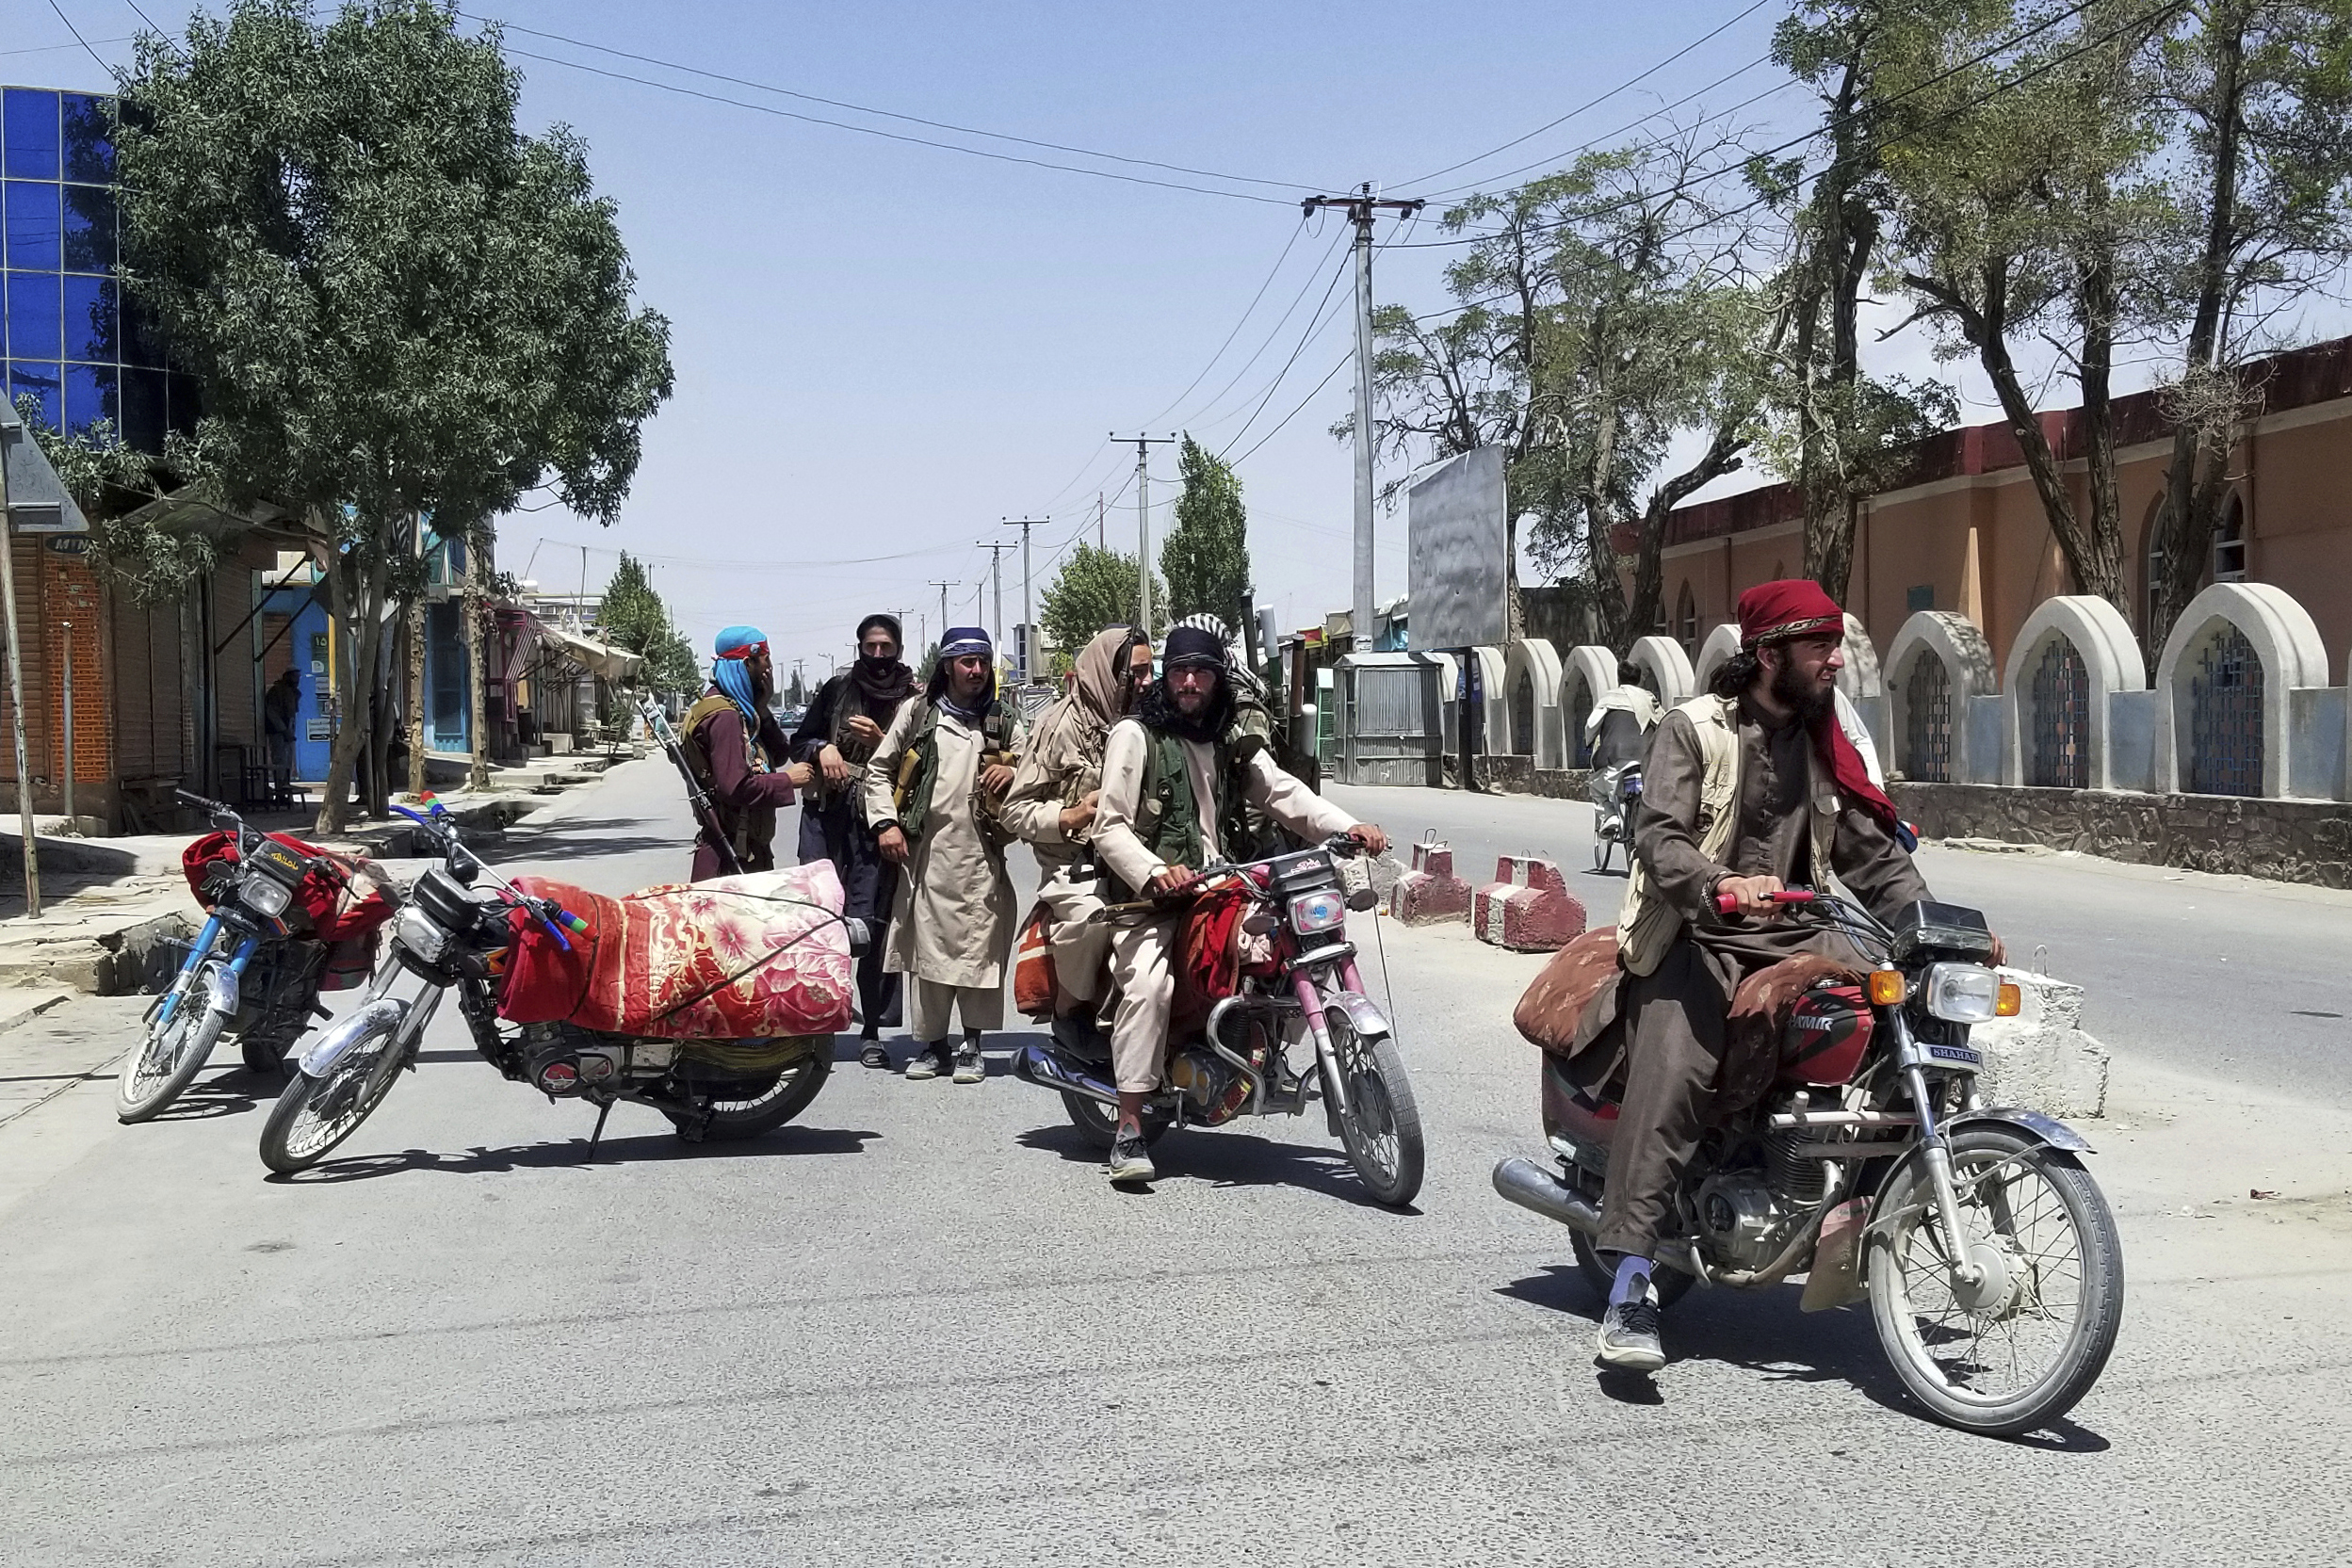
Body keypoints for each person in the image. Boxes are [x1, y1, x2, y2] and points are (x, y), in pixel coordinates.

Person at [1565, 580, 1999, 1373]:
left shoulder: (1823, 738)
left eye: (1835, 645)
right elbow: (1657, 837)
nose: (1835, 660)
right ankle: (1630, 1281)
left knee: (1902, 1016)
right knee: (1676, 1067)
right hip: (1698, 932)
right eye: (1818, 647)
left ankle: (1853, 1202)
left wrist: (1941, 934)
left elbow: (1873, 857)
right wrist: (1715, 882)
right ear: (1768, 655)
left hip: (1800, 928)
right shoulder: (1692, 729)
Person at [1090, 624, 1387, 1186]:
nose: (1190, 681)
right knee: (1150, 985)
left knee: (1286, 952)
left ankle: (1257, 1056)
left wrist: (1351, 826)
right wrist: (1155, 871)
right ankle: (1129, 1126)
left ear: (1217, 676)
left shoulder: (1228, 737)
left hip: (1224, 887)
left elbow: (1281, 792)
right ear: (1165, 676)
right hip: (1153, 900)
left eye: (1201, 671)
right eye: (1179, 670)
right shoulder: (1135, 735)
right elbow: (1110, 827)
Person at [863, 627, 1025, 1085]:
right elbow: (879, 771)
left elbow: (1038, 771)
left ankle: (973, 1045)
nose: (976, 671)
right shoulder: (918, 713)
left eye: (982, 662)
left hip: (982, 856)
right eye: (966, 662)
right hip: (925, 854)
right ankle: (934, 1047)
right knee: (928, 952)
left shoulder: (1004, 720)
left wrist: (1010, 770)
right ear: (948, 666)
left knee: (980, 947)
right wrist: (886, 824)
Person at [998, 625, 1153, 1020]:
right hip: (1074, 866)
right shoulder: (1060, 727)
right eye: (1136, 673)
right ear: (1109, 673)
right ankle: (1072, 1011)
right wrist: (1071, 815)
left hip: (1137, 856)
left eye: (1150, 670)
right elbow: (1014, 811)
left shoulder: (1148, 720)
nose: (1146, 681)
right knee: (1092, 919)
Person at [791, 614, 920, 1063]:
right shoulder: (836, 690)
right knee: (815, 915)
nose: (879, 656)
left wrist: (885, 740)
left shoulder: (915, 699)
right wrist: (821, 749)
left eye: (886, 647)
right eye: (871, 647)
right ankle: (809, 1021)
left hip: (878, 821)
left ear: (899, 649)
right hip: (827, 817)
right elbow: (800, 739)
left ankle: (873, 1030)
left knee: (873, 922)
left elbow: (927, 763)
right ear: (859, 648)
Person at [678, 626, 811, 881]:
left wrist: (762, 708)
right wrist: (788, 781)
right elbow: (734, 787)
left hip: (746, 853)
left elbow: (779, 755)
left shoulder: (738, 711)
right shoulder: (724, 716)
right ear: (747, 663)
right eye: (765, 660)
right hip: (730, 860)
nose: (769, 669)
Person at [1585, 660, 1661, 773]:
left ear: (1618, 679)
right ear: (1640, 679)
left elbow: (1591, 726)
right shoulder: (1649, 699)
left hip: (1613, 762)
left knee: (1598, 788)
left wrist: (1588, 742)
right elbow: (1663, 722)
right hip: (1646, 762)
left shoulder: (1608, 699)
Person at [263, 670, 301, 805]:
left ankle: (285, 793)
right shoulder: (277, 692)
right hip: (278, 732)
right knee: (280, 762)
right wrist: (284, 730)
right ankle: (280, 793)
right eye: (295, 678)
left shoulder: (291, 692)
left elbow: (291, 714)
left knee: (287, 763)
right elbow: (272, 713)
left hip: (287, 732)